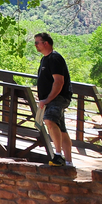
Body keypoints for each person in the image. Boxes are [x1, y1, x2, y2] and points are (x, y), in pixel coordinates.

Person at [35, 32, 73, 166]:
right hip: (49, 99)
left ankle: (58, 156)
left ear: (45, 43)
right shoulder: (44, 59)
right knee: (61, 129)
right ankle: (69, 162)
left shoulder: (55, 58)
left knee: (49, 120)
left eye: (37, 42)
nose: (35, 45)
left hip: (58, 97)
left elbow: (59, 82)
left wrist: (47, 99)